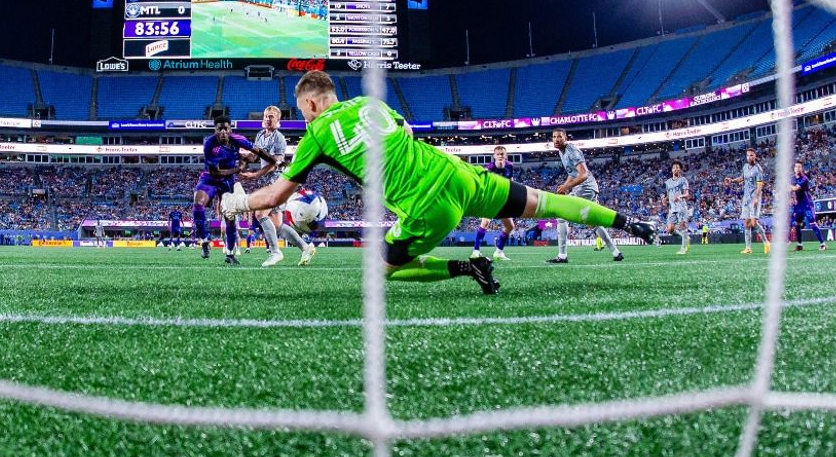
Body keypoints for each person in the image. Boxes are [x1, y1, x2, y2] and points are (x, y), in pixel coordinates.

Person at [221, 72, 655, 294]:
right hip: (458, 173)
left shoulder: (316, 133)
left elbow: (277, 194)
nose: (304, 117)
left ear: (312, 103)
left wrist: (236, 206)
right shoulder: (371, 103)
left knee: (380, 270)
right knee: (544, 203)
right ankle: (629, 222)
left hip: (428, 206)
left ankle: (467, 266)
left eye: (302, 111)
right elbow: (405, 132)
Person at [194, 115, 279, 265]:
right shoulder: (209, 144)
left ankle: (230, 254)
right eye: (219, 129)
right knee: (198, 205)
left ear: (230, 129)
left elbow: (258, 151)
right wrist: (238, 168)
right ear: (215, 130)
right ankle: (205, 241)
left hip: (227, 183)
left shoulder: (237, 139)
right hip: (210, 178)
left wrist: (273, 160)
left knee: (230, 218)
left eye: (226, 128)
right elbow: (215, 173)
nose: (223, 132)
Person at [240, 105, 316, 268]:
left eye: (272, 117)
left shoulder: (279, 138)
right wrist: (243, 156)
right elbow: (255, 156)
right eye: (266, 116)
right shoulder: (260, 135)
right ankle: (305, 247)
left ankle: (275, 252)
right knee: (277, 225)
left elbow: (275, 163)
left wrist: (255, 175)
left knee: (260, 213)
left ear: (278, 121)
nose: (268, 119)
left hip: (277, 181)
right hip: (267, 181)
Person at [548, 129, 625, 264]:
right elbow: (573, 174)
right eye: (554, 137)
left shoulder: (571, 151)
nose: (556, 139)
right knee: (592, 223)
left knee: (561, 214)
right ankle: (616, 252)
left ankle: (562, 255)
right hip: (587, 187)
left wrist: (567, 187)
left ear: (565, 137)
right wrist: (564, 185)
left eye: (559, 137)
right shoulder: (562, 151)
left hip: (586, 187)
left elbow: (584, 174)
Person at [470, 146, 513, 262]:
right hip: (491, 199)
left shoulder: (510, 166)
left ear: (506, 155)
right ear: (494, 156)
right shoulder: (489, 169)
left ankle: (498, 252)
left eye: (502, 154)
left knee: (510, 226)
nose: (500, 156)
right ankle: (476, 252)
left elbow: (511, 181)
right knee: (485, 222)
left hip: (503, 199)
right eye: (498, 154)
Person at [725, 147, 771, 255]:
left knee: (754, 223)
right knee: (746, 223)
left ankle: (766, 242)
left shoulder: (758, 169)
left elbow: (760, 186)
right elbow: (742, 178)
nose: (749, 157)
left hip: (754, 198)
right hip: (746, 198)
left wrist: (755, 198)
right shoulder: (745, 167)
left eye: (751, 155)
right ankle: (748, 248)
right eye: (748, 155)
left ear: (755, 156)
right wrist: (731, 180)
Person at [790, 161, 826, 252]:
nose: (797, 168)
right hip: (798, 205)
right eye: (796, 167)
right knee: (797, 224)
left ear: (802, 168)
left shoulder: (804, 178)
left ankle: (822, 244)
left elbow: (795, 188)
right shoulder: (792, 178)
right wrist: (792, 198)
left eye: (799, 167)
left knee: (812, 223)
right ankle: (799, 245)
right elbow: (792, 191)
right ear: (794, 169)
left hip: (807, 204)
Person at [664, 160, 692, 255]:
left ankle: (683, 248)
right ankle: (686, 238)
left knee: (682, 227)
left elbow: (687, 194)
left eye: (677, 167)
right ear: (671, 170)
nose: (676, 169)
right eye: (674, 167)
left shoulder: (683, 180)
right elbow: (668, 195)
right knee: (670, 230)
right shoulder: (667, 182)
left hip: (681, 207)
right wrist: (665, 199)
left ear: (680, 170)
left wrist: (680, 196)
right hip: (672, 209)